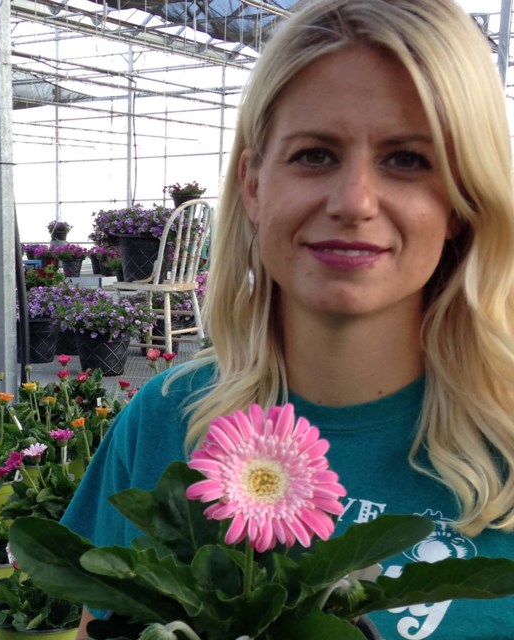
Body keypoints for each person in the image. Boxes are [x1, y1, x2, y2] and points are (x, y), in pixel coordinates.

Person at [61, 1, 514, 638]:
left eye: (408, 159)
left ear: (464, 198)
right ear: (252, 183)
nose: (354, 201)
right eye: (314, 155)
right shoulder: (165, 419)